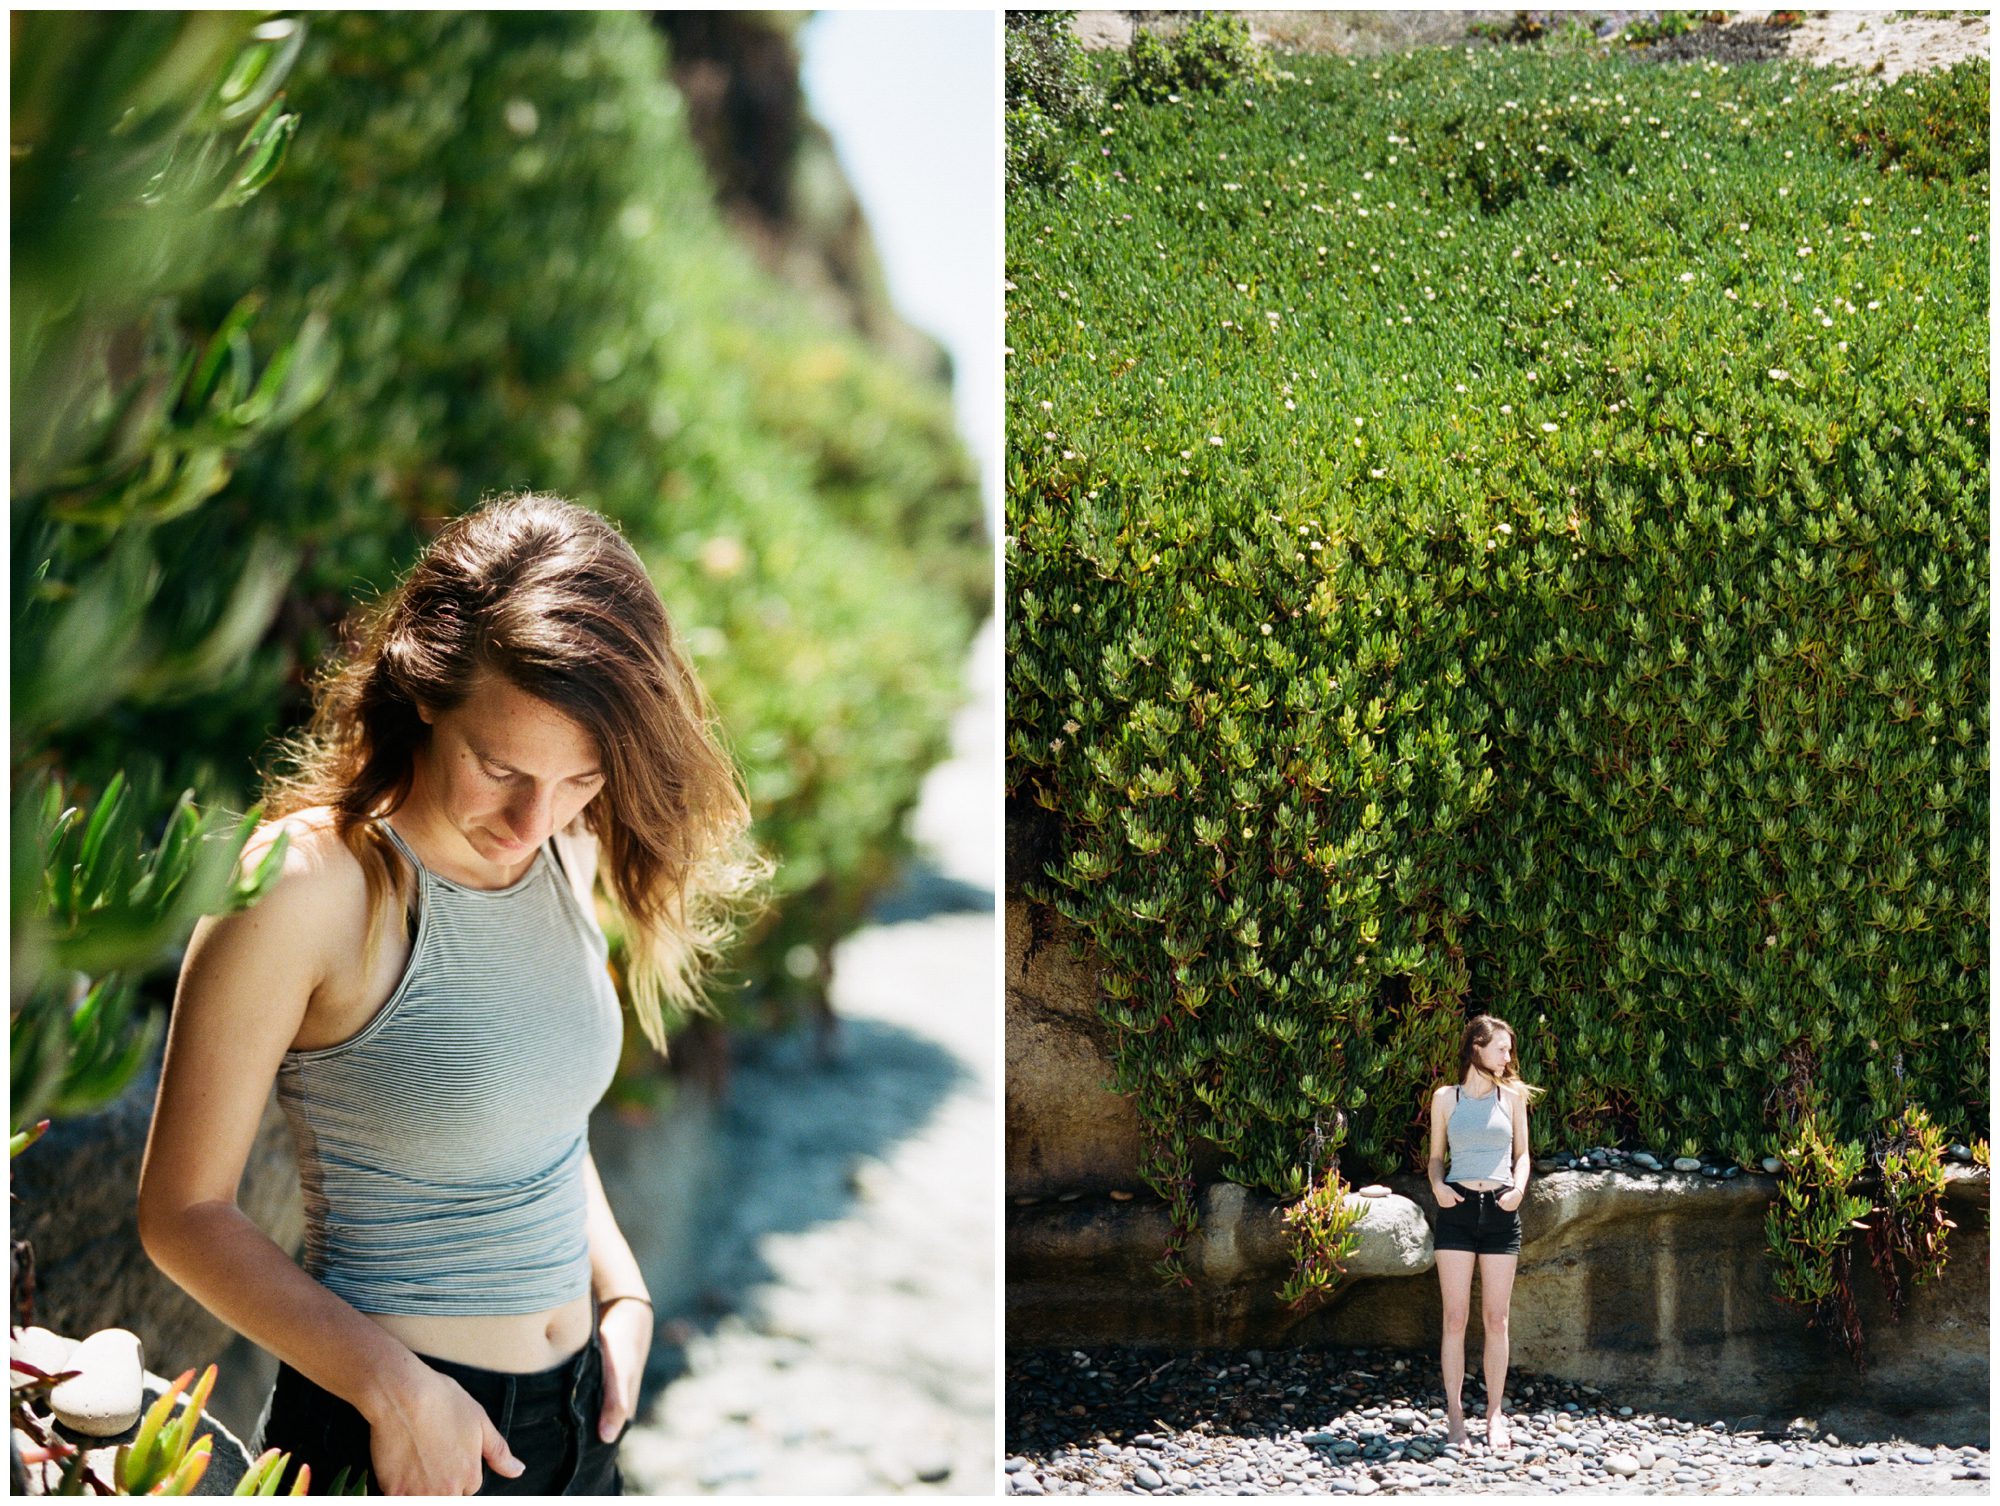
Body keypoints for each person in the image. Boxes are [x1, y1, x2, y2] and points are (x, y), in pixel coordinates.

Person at [137, 493, 764, 1494]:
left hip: (577, 1426)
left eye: (579, 779)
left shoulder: (566, 847)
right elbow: (182, 1214)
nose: (532, 818)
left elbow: (535, 1116)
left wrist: (621, 1287)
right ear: (425, 689)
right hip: (393, 1436)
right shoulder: (305, 885)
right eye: (499, 767)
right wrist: (396, 1392)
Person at [1426, 1013, 1537, 1452]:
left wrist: (1519, 1189)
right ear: (1476, 1046)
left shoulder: (1512, 1097)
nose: (1509, 1056)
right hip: (1455, 1211)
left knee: (1497, 1319)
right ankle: (1455, 1415)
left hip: (1500, 1214)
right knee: (1455, 1319)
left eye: (1509, 1049)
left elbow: (1523, 1155)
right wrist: (1436, 1185)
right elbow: (1436, 1158)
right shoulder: (1445, 1098)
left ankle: (1494, 1414)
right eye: (1502, 1048)